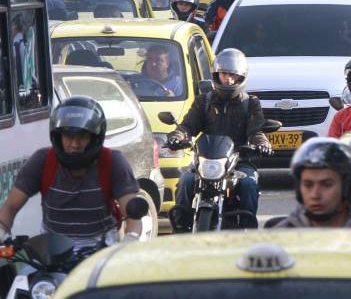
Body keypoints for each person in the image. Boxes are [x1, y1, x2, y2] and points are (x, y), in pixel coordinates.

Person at [0, 97, 141, 249]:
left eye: (82, 136)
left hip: (99, 251)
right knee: (22, 274)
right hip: (52, 252)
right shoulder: (42, 161)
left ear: (94, 138)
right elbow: (10, 207)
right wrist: (1, 231)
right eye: (68, 136)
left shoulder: (113, 162)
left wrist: (130, 239)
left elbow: (133, 214)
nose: (74, 144)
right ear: (58, 136)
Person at [167, 49, 272, 229]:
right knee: (186, 180)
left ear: (241, 77)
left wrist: (261, 144)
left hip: (239, 160)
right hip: (206, 161)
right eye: (224, 74)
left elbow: (256, 131)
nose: (228, 79)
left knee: (248, 184)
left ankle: (248, 229)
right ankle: (181, 226)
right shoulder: (204, 101)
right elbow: (188, 126)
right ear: (216, 74)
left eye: (233, 75)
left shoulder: (251, 103)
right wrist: (177, 137)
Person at [274, 137, 351, 228]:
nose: (315, 195)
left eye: (327, 184)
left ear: (347, 187)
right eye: (308, 185)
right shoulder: (282, 237)